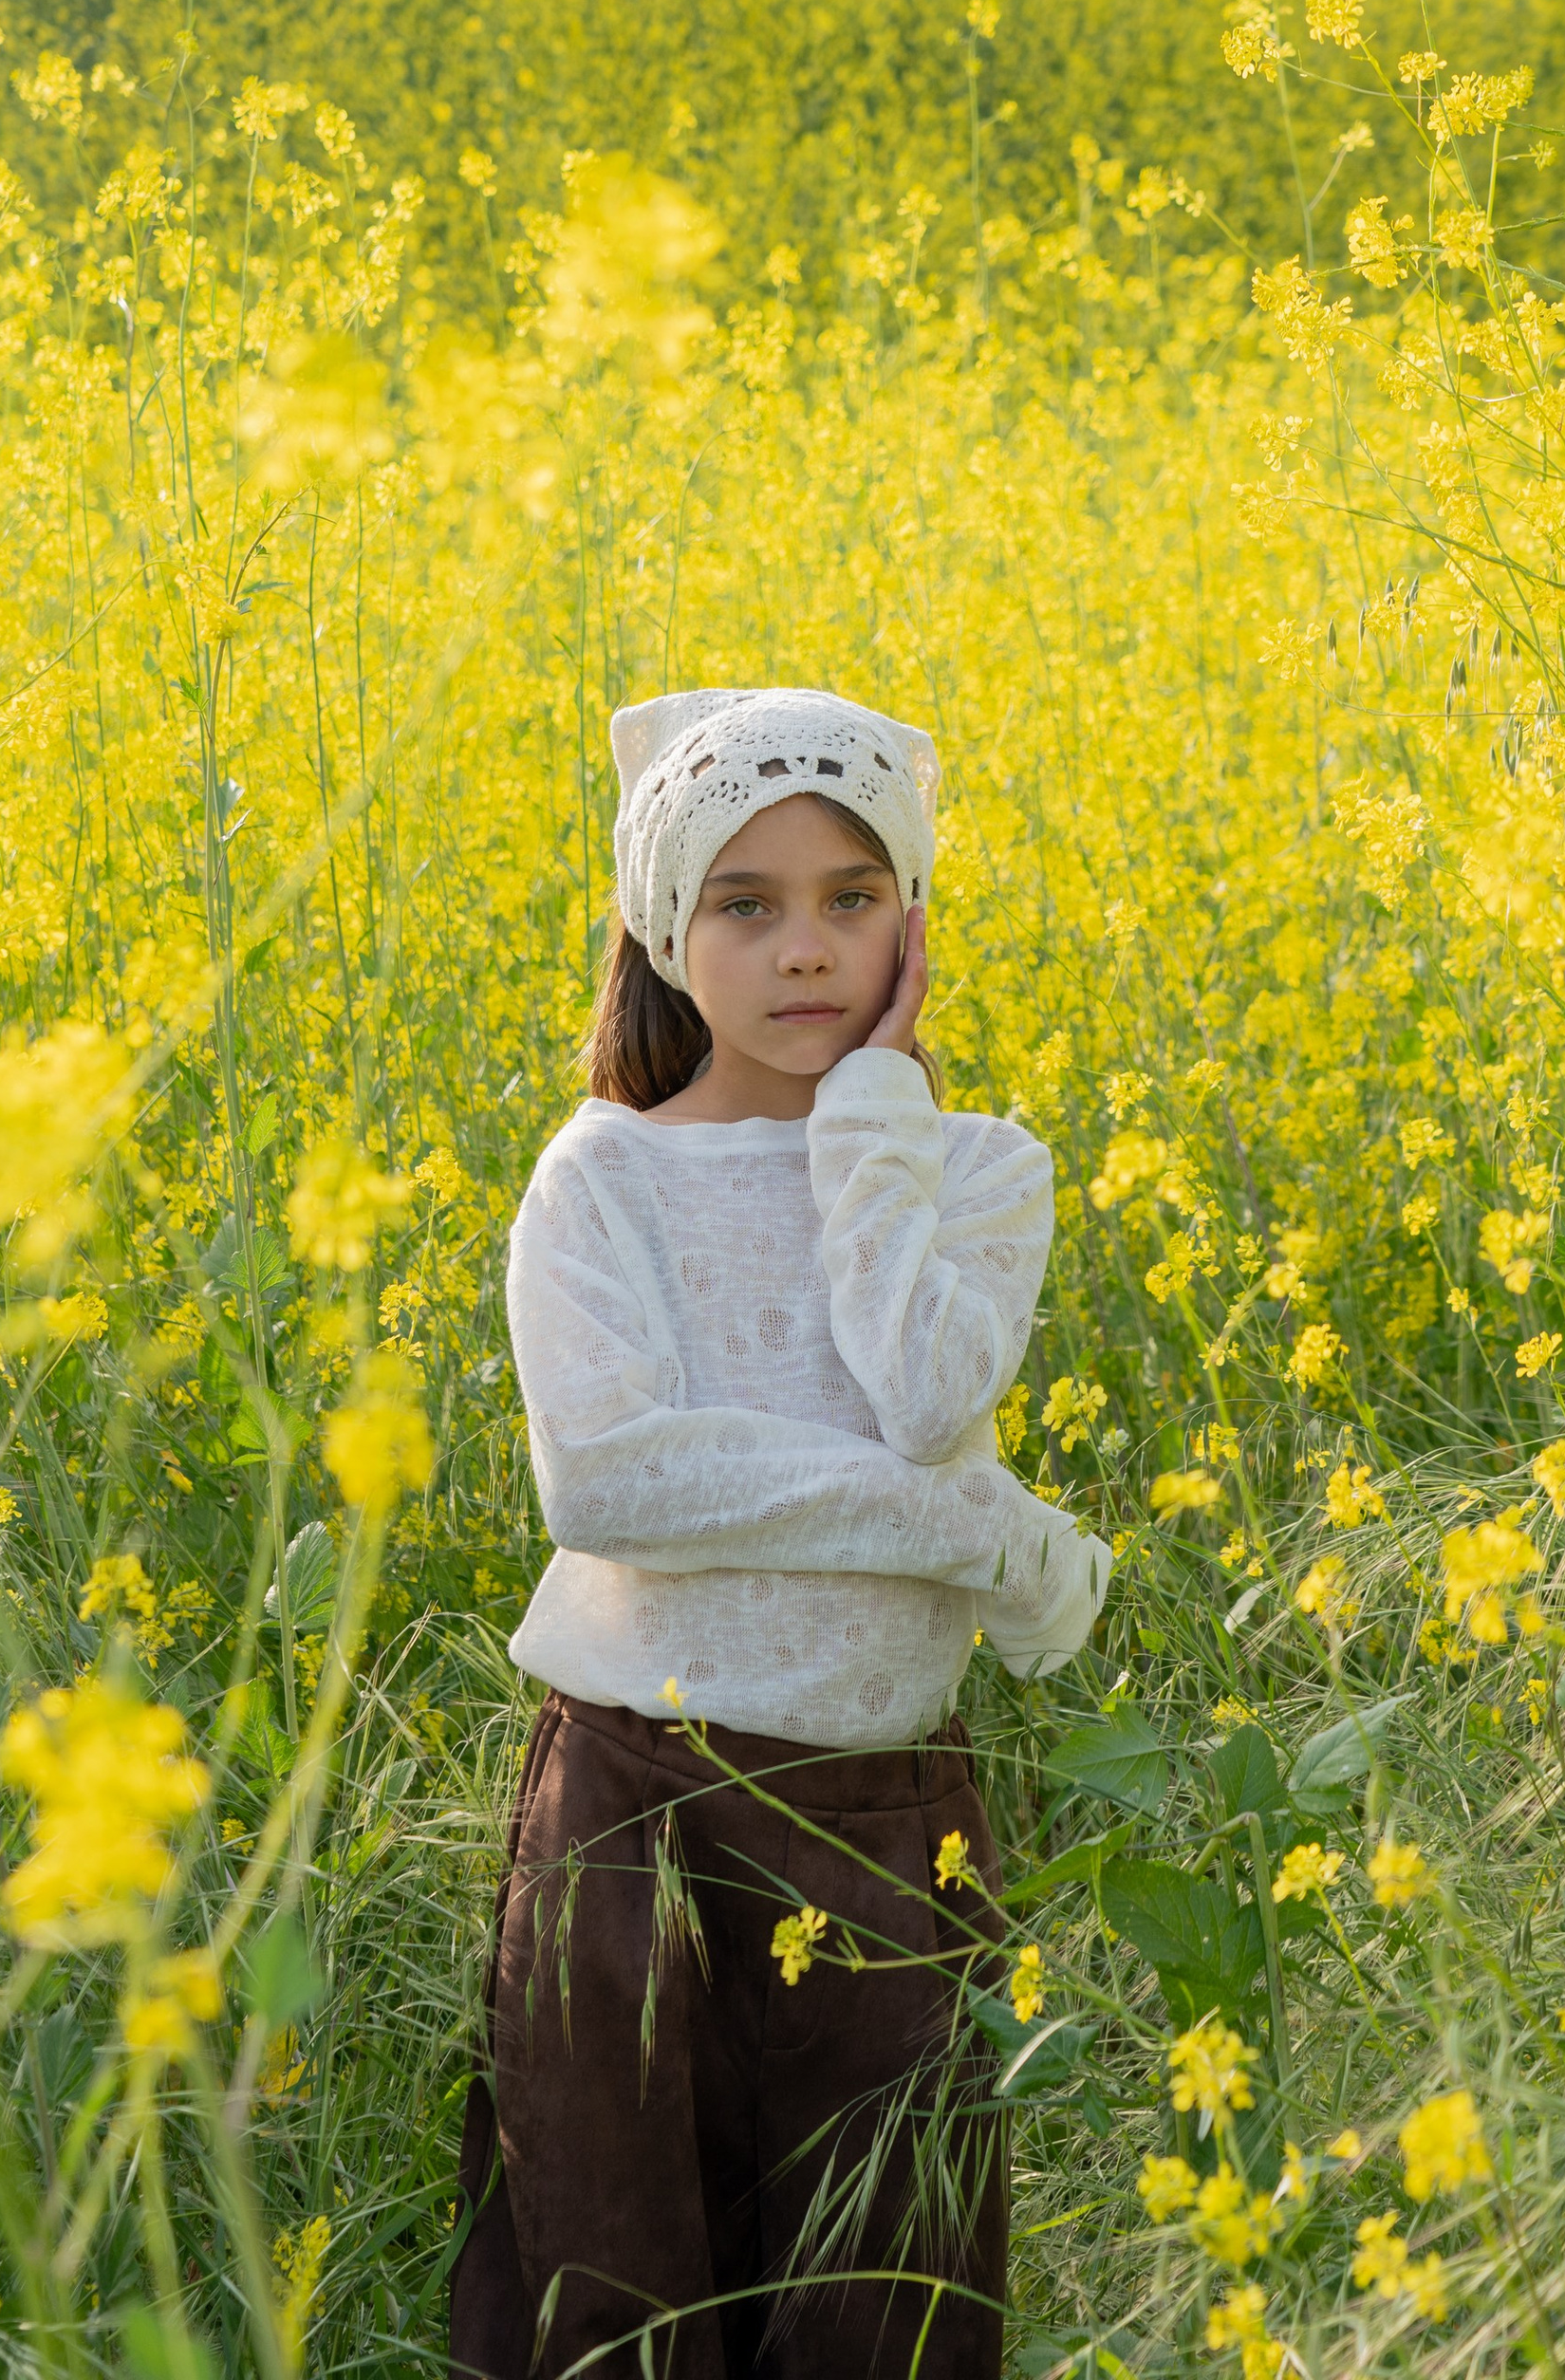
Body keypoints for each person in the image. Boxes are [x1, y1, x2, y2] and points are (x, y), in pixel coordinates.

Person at [451, 684, 1110, 2380]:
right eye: (745, 905)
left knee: (889, 2312)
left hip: (894, 1823)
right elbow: (608, 1488)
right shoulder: (598, 1182)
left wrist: (872, 1129)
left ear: (912, 921)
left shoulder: (976, 1171)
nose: (804, 948)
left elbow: (923, 1393)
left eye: (851, 897)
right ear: (666, 933)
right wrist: (960, 1530)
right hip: (633, 1818)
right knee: (621, 2308)